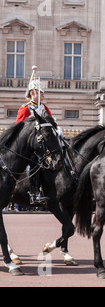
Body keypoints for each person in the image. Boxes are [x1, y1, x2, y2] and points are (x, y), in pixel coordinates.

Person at [16, 66, 52, 205]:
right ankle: (35, 192)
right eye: (40, 93)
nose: (42, 95)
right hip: (29, 144)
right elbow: (19, 128)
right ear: (32, 93)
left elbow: (51, 122)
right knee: (34, 161)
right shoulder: (25, 108)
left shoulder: (44, 108)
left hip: (43, 143)